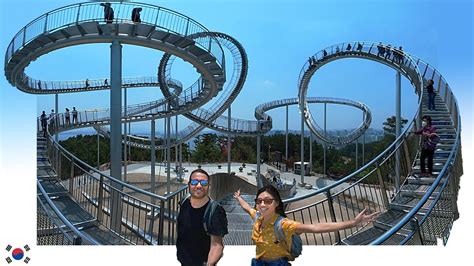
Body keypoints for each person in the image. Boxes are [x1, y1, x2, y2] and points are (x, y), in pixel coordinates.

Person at [234, 186, 379, 265]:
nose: (262, 204)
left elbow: (316, 228)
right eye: (259, 201)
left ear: (277, 203)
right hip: (258, 262)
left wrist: (353, 223)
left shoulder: (283, 224)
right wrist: (239, 197)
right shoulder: (258, 217)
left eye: (267, 201)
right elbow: (247, 207)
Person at [177, 169, 228, 266]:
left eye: (204, 183)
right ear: (189, 185)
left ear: (209, 186)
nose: (199, 186)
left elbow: (217, 245)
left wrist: (210, 263)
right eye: (194, 182)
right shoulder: (184, 202)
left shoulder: (216, 211)